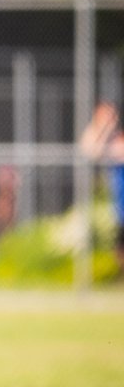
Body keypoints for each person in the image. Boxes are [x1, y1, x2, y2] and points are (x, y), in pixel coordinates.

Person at [79, 100, 124, 269]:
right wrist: (102, 127)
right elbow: (90, 151)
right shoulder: (103, 138)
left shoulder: (119, 138)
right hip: (117, 203)